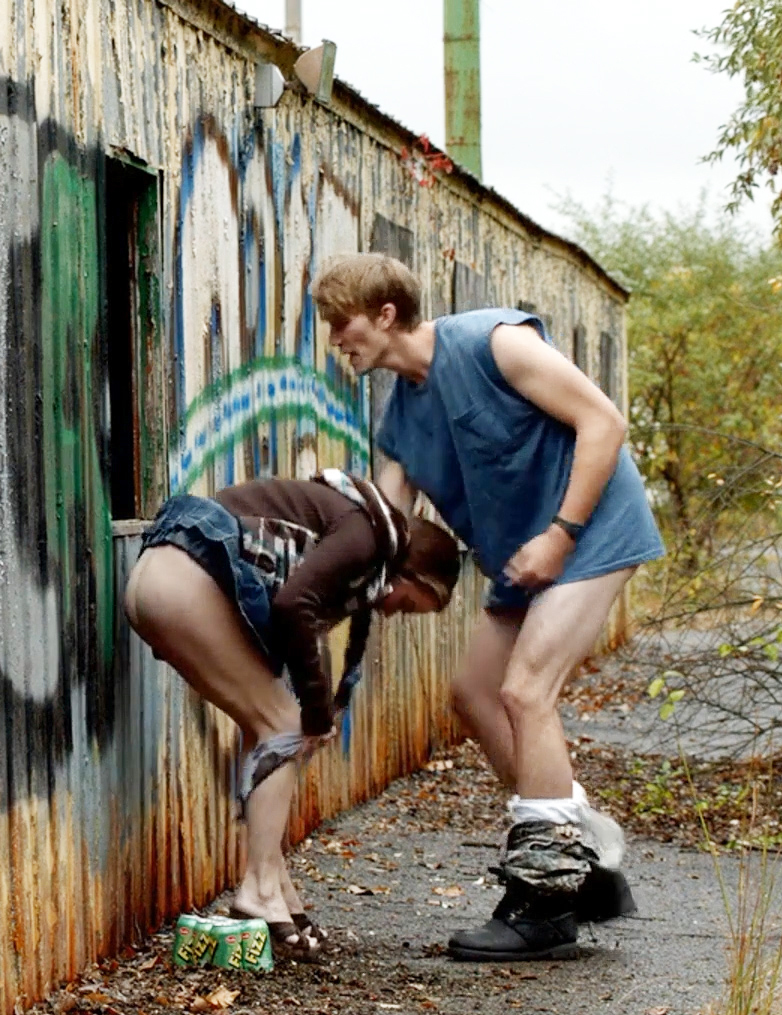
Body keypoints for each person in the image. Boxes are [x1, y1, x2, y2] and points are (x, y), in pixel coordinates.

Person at [313, 253, 665, 961]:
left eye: (341, 322)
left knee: (526, 691)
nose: (335, 340)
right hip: (520, 558)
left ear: (386, 314)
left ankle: (546, 902)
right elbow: (387, 527)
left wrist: (560, 536)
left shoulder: (493, 342)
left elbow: (604, 422)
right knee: (474, 694)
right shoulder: (401, 417)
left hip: (588, 532)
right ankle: (583, 856)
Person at [123, 469, 463, 962]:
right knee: (282, 725)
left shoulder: (353, 529)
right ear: (409, 574)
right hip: (183, 580)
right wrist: (318, 711)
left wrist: (315, 709)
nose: (393, 613)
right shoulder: (367, 536)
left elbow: (292, 614)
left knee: (266, 729)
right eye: (408, 604)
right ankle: (260, 890)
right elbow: (292, 605)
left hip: (160, 579)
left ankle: (278, 890)